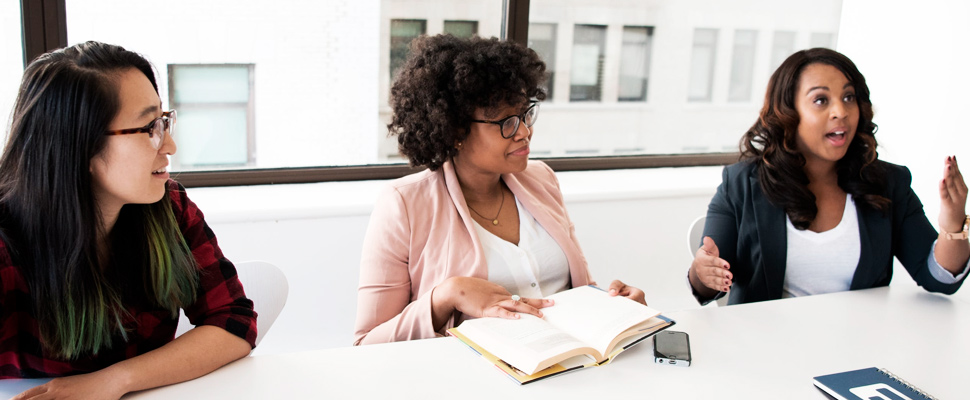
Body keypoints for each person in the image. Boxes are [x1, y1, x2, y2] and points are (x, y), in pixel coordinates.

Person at [0, 42, 256, 398]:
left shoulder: (170, 206)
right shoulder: (6, 244)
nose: (169, 146)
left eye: (165, 121)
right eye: (149, 127)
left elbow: (234, 322)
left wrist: (113, 381)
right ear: (81, 146)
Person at [354, 34, 646, 345]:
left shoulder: (542, 180)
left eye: (525, 114)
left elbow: (577, 293)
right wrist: (445, 297)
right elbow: (368, 342)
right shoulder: (404, 205)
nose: (524, 132)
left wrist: (615, 306)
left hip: (567, 367)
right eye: (506, 122)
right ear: (455, 131)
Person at [689, 48, 969, 305]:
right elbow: (709, 286)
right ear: (789, 113)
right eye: (821, 100)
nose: (841, 112)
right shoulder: (741, 183)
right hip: (765, 348)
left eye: (848, 97)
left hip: (858, 347)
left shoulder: (888, 182)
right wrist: (702, 273)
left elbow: (938, 280)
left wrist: (953, 223)